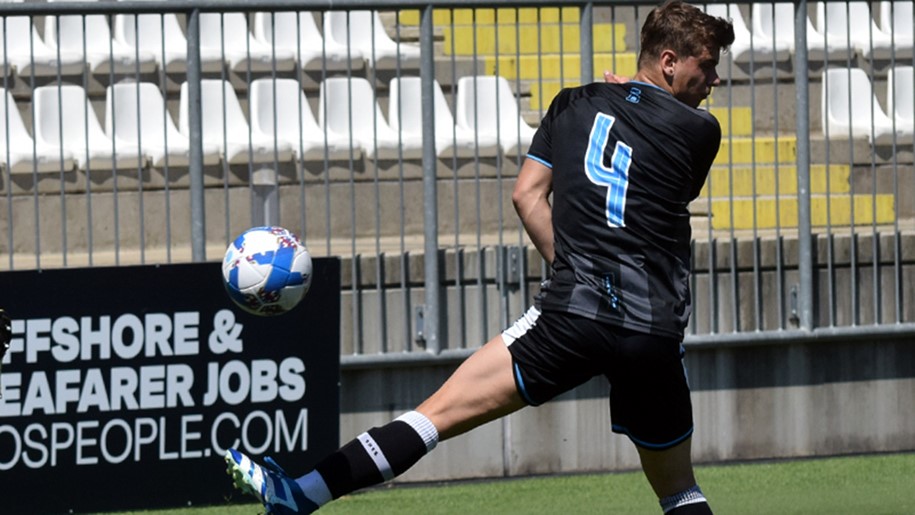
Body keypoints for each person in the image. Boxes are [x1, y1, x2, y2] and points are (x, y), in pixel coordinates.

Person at [225, 1, 734, 513]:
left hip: (572, 316)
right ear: (669, 62)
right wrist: (632, 99)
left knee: (432, 418)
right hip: (651, 331)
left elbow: (527, 195)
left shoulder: (571, 104)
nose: (714, 79)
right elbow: (649, 150)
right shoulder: (701, 130)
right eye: (707, 65)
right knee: (679, 490)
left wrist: (578, 269)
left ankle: (303, 493)